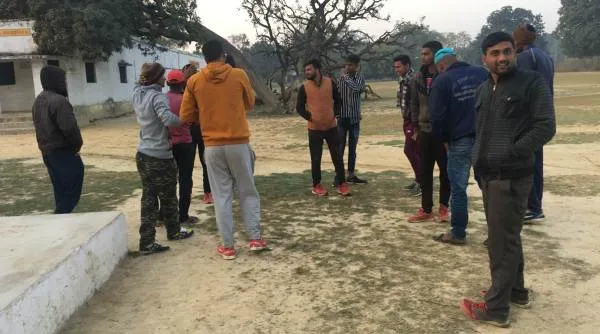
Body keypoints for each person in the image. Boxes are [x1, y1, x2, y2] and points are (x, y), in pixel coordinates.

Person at [460, 32, 555, 327]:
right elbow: (481, 129)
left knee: (501, 243)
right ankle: (515, 291)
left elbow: (546, 126)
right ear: (484, 58)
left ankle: (496, 309)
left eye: (507, 51)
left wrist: (513, 151)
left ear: (515, 52)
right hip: (488, 175)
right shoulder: (484, 88)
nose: (502, 58)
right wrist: (478, 158)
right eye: (494, 53)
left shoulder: (531, 83)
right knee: (508, 238)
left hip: (510, 176)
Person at [180, 40, 268, 260]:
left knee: (222, 197)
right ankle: (255, 239)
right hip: (239, 143)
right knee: (248, 192)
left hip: (212, 146)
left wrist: (206, 116)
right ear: (222, 54)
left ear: (205, 57)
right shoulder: (239, 75)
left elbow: (185, 116)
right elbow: (250, 103)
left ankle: (228, 246)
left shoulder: (194, 81)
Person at [133, 62, 194, 255]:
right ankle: (174, 231)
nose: (164, 79)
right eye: (162, 75)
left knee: (148, 198)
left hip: (143, 153)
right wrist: (183, 121)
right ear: (157, 78)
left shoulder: (137, 93)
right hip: (160, 155)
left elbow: (139, 82)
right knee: (168, 197)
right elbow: (167, 119)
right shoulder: (157, 97)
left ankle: (147, 241)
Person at [429, 48, 489, 245]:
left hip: (459, 141)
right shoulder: (482, 73)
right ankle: (498, 234)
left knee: (459, 189)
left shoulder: (442, 80)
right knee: (490, 187)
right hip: (485, 139)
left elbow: (436, 118)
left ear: (442, 65)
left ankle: (458, 232)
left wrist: (443, 140)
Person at [513, 23, 555, 224]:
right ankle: (534, 205)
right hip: (542, 115)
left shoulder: (524, 58)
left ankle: (533, 207)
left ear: (521, 38)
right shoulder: (545, 56)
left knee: (527, 163)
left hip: (529, 118)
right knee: (535, 162)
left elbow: (519, 87)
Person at [407, 41, 451, 223]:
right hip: (424, 131)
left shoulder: (446, 75)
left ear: (436, 54)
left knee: (445, 171)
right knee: (425, 170)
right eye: (422, 53)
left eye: (426, 53)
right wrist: (415, 127)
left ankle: (443, 208)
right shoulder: (418, 77)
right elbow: (414, 103)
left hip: (444, 133)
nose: (422, 57)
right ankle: (426, 209)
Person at [32, 65, 84, 214]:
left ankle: (62, 221)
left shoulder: (39, 100)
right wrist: (76, 146)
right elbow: (69, 128)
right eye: (63, 80)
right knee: (71, 189)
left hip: (47, 152)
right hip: (62, 151)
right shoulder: (59, 101)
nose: (65, 84)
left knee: (60, 189)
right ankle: (59, 216)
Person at [296, 58, 351, 197]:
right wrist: (310, 117)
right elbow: (299, 108)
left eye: (309, 69)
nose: (306, 72)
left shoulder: (330, 82)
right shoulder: (304, 87)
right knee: (316, 158)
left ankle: (342, 184)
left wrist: (336, 114)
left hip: (331, 127)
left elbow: (338, 100)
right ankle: (317, 185)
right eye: (305, 70)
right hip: (314, 129)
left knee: (337, 157)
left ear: (317, 69)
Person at [165, 69, 198, 225]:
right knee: (185, 179)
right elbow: (193, 120)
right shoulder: (187, 100)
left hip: (168, 145)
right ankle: (183, 215)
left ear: (167, 83)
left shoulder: (162, 99)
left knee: (168, 181)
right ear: (183, 83)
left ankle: (165, 215)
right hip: (185, 143)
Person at [183, 63, 214, 204]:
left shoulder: (188, 88)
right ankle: (207, 194)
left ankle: (204, 194)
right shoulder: (194, 86)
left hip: (194, 129)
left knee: (195, 164)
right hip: (197, 128)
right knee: (204, 162)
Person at [337, 54, 368, 184]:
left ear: (356, 66)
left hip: (354, 118)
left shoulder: (360, 79)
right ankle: (338, 176)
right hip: (342, 117)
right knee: (340, 148)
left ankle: (351, 175)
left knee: (352, 149)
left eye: (350, 65)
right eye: (346, 64)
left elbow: (356, 89)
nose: (347, 67)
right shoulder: (340, 79)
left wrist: (345, 78)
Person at [393, 54, 421, 197]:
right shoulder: (404, 79)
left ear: (407, 65)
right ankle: (418, 180)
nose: (396, 70)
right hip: (407, 119)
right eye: (395, 67)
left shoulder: (414, 79)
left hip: (413, 120)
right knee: (414, 151)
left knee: (410, 150)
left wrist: (415, 124)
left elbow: (417, 102)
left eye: (398, 67)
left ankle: (421, 181)